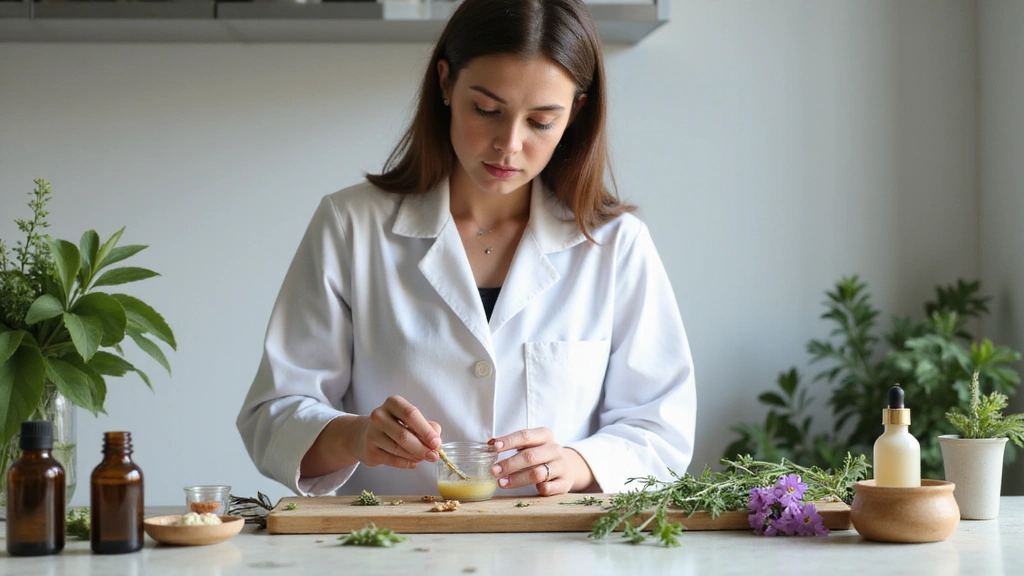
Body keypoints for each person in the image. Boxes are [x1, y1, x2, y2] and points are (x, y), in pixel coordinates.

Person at [236, 0, 696, 499]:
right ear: (445, 84)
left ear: (576, 113)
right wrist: (358, 436)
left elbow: (660, 425)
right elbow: (274, 415)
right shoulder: (352, 226)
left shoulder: (614, 245)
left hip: (553, 555)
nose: (509, 144)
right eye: (487, 110)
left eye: (541, 121)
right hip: (394, 552)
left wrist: (579, 463)